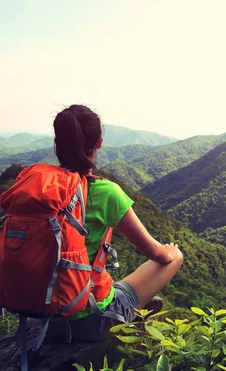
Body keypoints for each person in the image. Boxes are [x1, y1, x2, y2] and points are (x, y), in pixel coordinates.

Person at [49, 104, 183, 340]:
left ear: (57, 144)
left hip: (46, 313)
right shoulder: (106, 192)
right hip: (91, 318)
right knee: (176, 258)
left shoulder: (44, 188)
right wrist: (169, 250)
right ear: (99, 143)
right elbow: (156, 254)